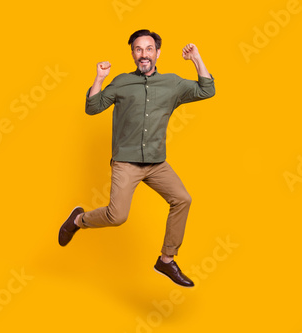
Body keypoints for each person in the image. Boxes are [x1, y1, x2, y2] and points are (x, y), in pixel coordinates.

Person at [59, 29, 215, 287]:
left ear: (157, 53)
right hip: (126, 162)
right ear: (133, 54)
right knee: (117, 216)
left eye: (149, 49)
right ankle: (78, 220)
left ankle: (166, 260)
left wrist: (196, 59)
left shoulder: (173, 84)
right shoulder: (121, 82)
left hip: (156, 163)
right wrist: (99, 79)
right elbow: (92, 107)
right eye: (138, 49)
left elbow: (206, 90)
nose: (144, 54)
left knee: (182, 199)